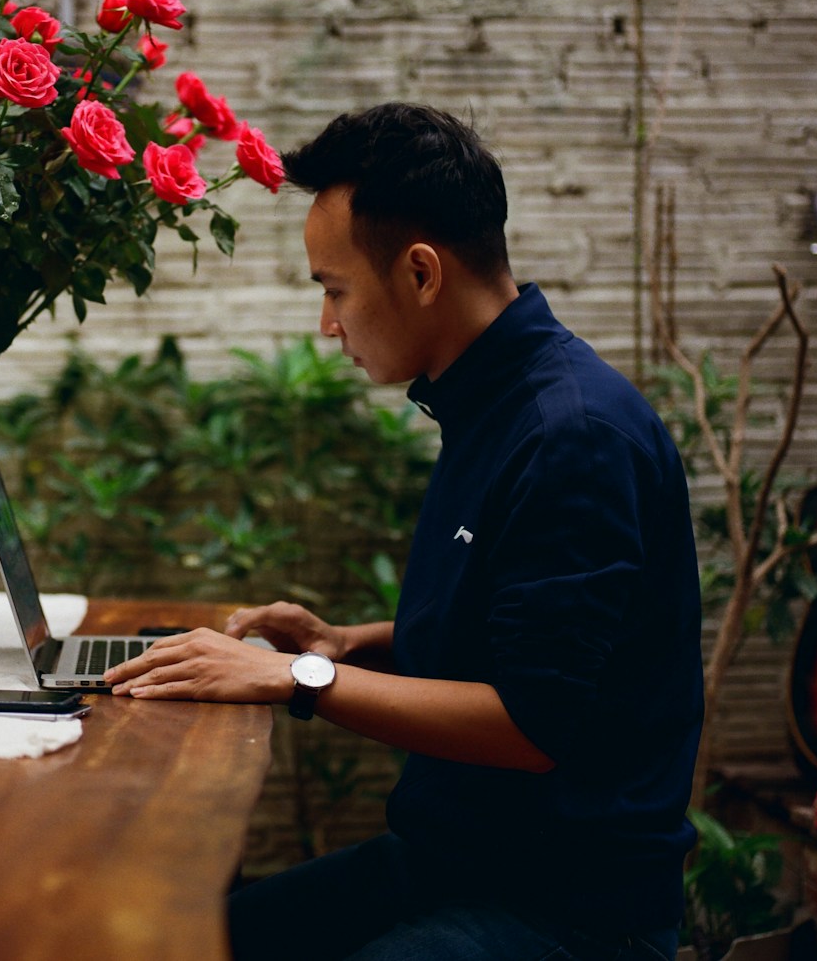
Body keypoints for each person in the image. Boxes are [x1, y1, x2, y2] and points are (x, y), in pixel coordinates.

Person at [104, 102, 703, 961]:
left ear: (422, 274)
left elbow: (533, 727)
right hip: (453, 862)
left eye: (334, 289)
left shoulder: (570, 436)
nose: (328, 323)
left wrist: (297, 678)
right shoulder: (489, 402)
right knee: (189, 939)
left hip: (566, 909)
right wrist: (349, 643)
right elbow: (522, 639)